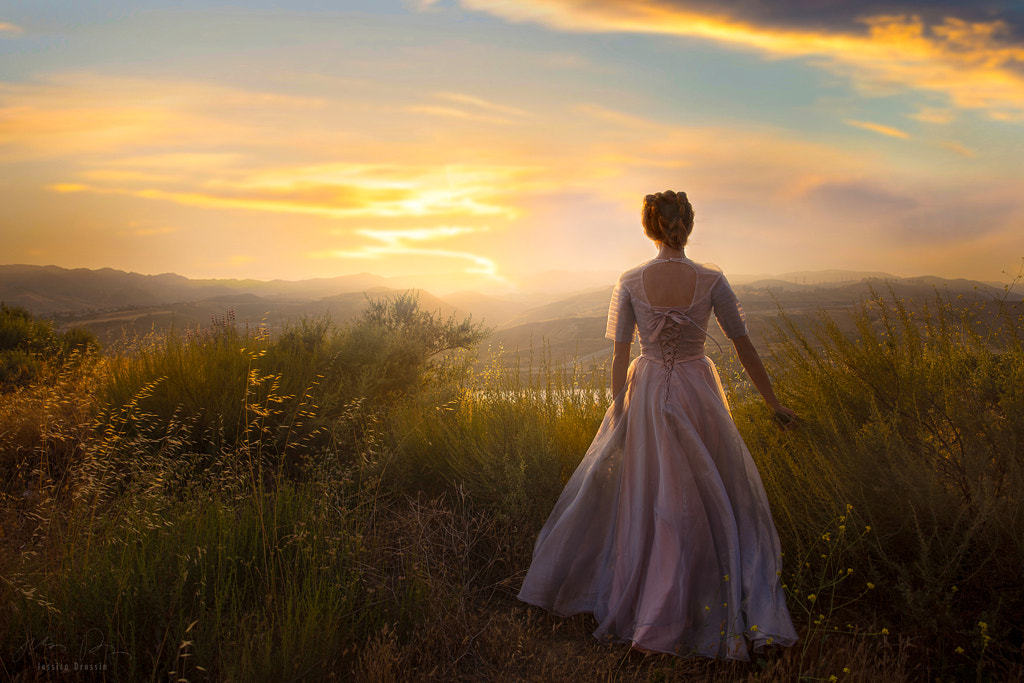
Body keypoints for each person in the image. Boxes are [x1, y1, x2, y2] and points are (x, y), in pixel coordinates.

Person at [517, 190, 798, 659]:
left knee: (654, 498)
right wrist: (773, 403)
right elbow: (744, 347)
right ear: (688, 225)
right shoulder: (713, 279)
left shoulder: (629, 280)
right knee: (702, 496)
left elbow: (619, 354)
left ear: (650, 228)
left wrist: (617, 408)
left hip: (645, 390)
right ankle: (691, 604)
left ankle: (656, 610)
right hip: (697, 388)